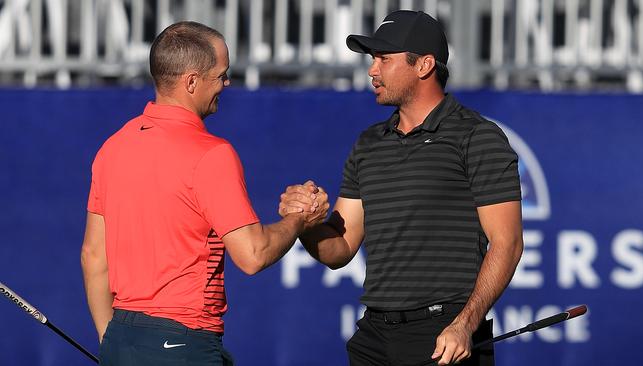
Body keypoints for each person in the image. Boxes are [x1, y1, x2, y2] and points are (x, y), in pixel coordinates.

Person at [279, 10, 523, 366]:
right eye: (373, 59)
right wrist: (303, 224)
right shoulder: (369, 143)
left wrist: (464, 325)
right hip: (373, 338)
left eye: (383, 59)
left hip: (444, 334)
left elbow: (508, 243)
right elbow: (341, 248)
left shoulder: (477, 137)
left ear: (423, 65)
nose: (372, 70)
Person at [80, 21, 327, 366]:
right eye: (221, 75)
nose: (226, 84)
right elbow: (253, 254)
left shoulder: (113, 147)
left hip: (122, 338)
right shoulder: (211, 154)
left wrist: (113, 342)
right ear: (192, 81)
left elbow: (94, 257)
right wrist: (299, 220)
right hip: (183, 341)